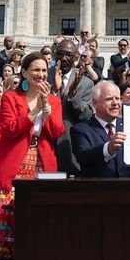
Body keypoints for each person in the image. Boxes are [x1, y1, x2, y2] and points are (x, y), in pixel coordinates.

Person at [0, 52, 65, 260]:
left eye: (44, 71)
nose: (42, 75)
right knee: (4, 216)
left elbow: (56, 132)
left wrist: (47, 108)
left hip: (42, 164)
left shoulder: (53, 99)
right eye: (36, 70)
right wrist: (34, 112)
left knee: (39, 221)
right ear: (25, 73)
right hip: (14, 164)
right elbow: (9, 129)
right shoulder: (11, 98)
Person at [71, 81, 130, 177]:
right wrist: (108, 149)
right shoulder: (81, 130)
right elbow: (83, 157)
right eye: (109, 99)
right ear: (95, 103)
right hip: (99, 190)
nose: (115, 103)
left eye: (118, 98)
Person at [49, 39, 94, 175]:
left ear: (76, 57)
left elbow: (86, 115)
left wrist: (73, 95)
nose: (63, 58)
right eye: (60, 54)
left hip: (69, 144)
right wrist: (54, 90)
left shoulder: (86, 83)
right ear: (54, 54)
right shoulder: (44, 77)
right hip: (45, 142)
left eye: (68, 55)